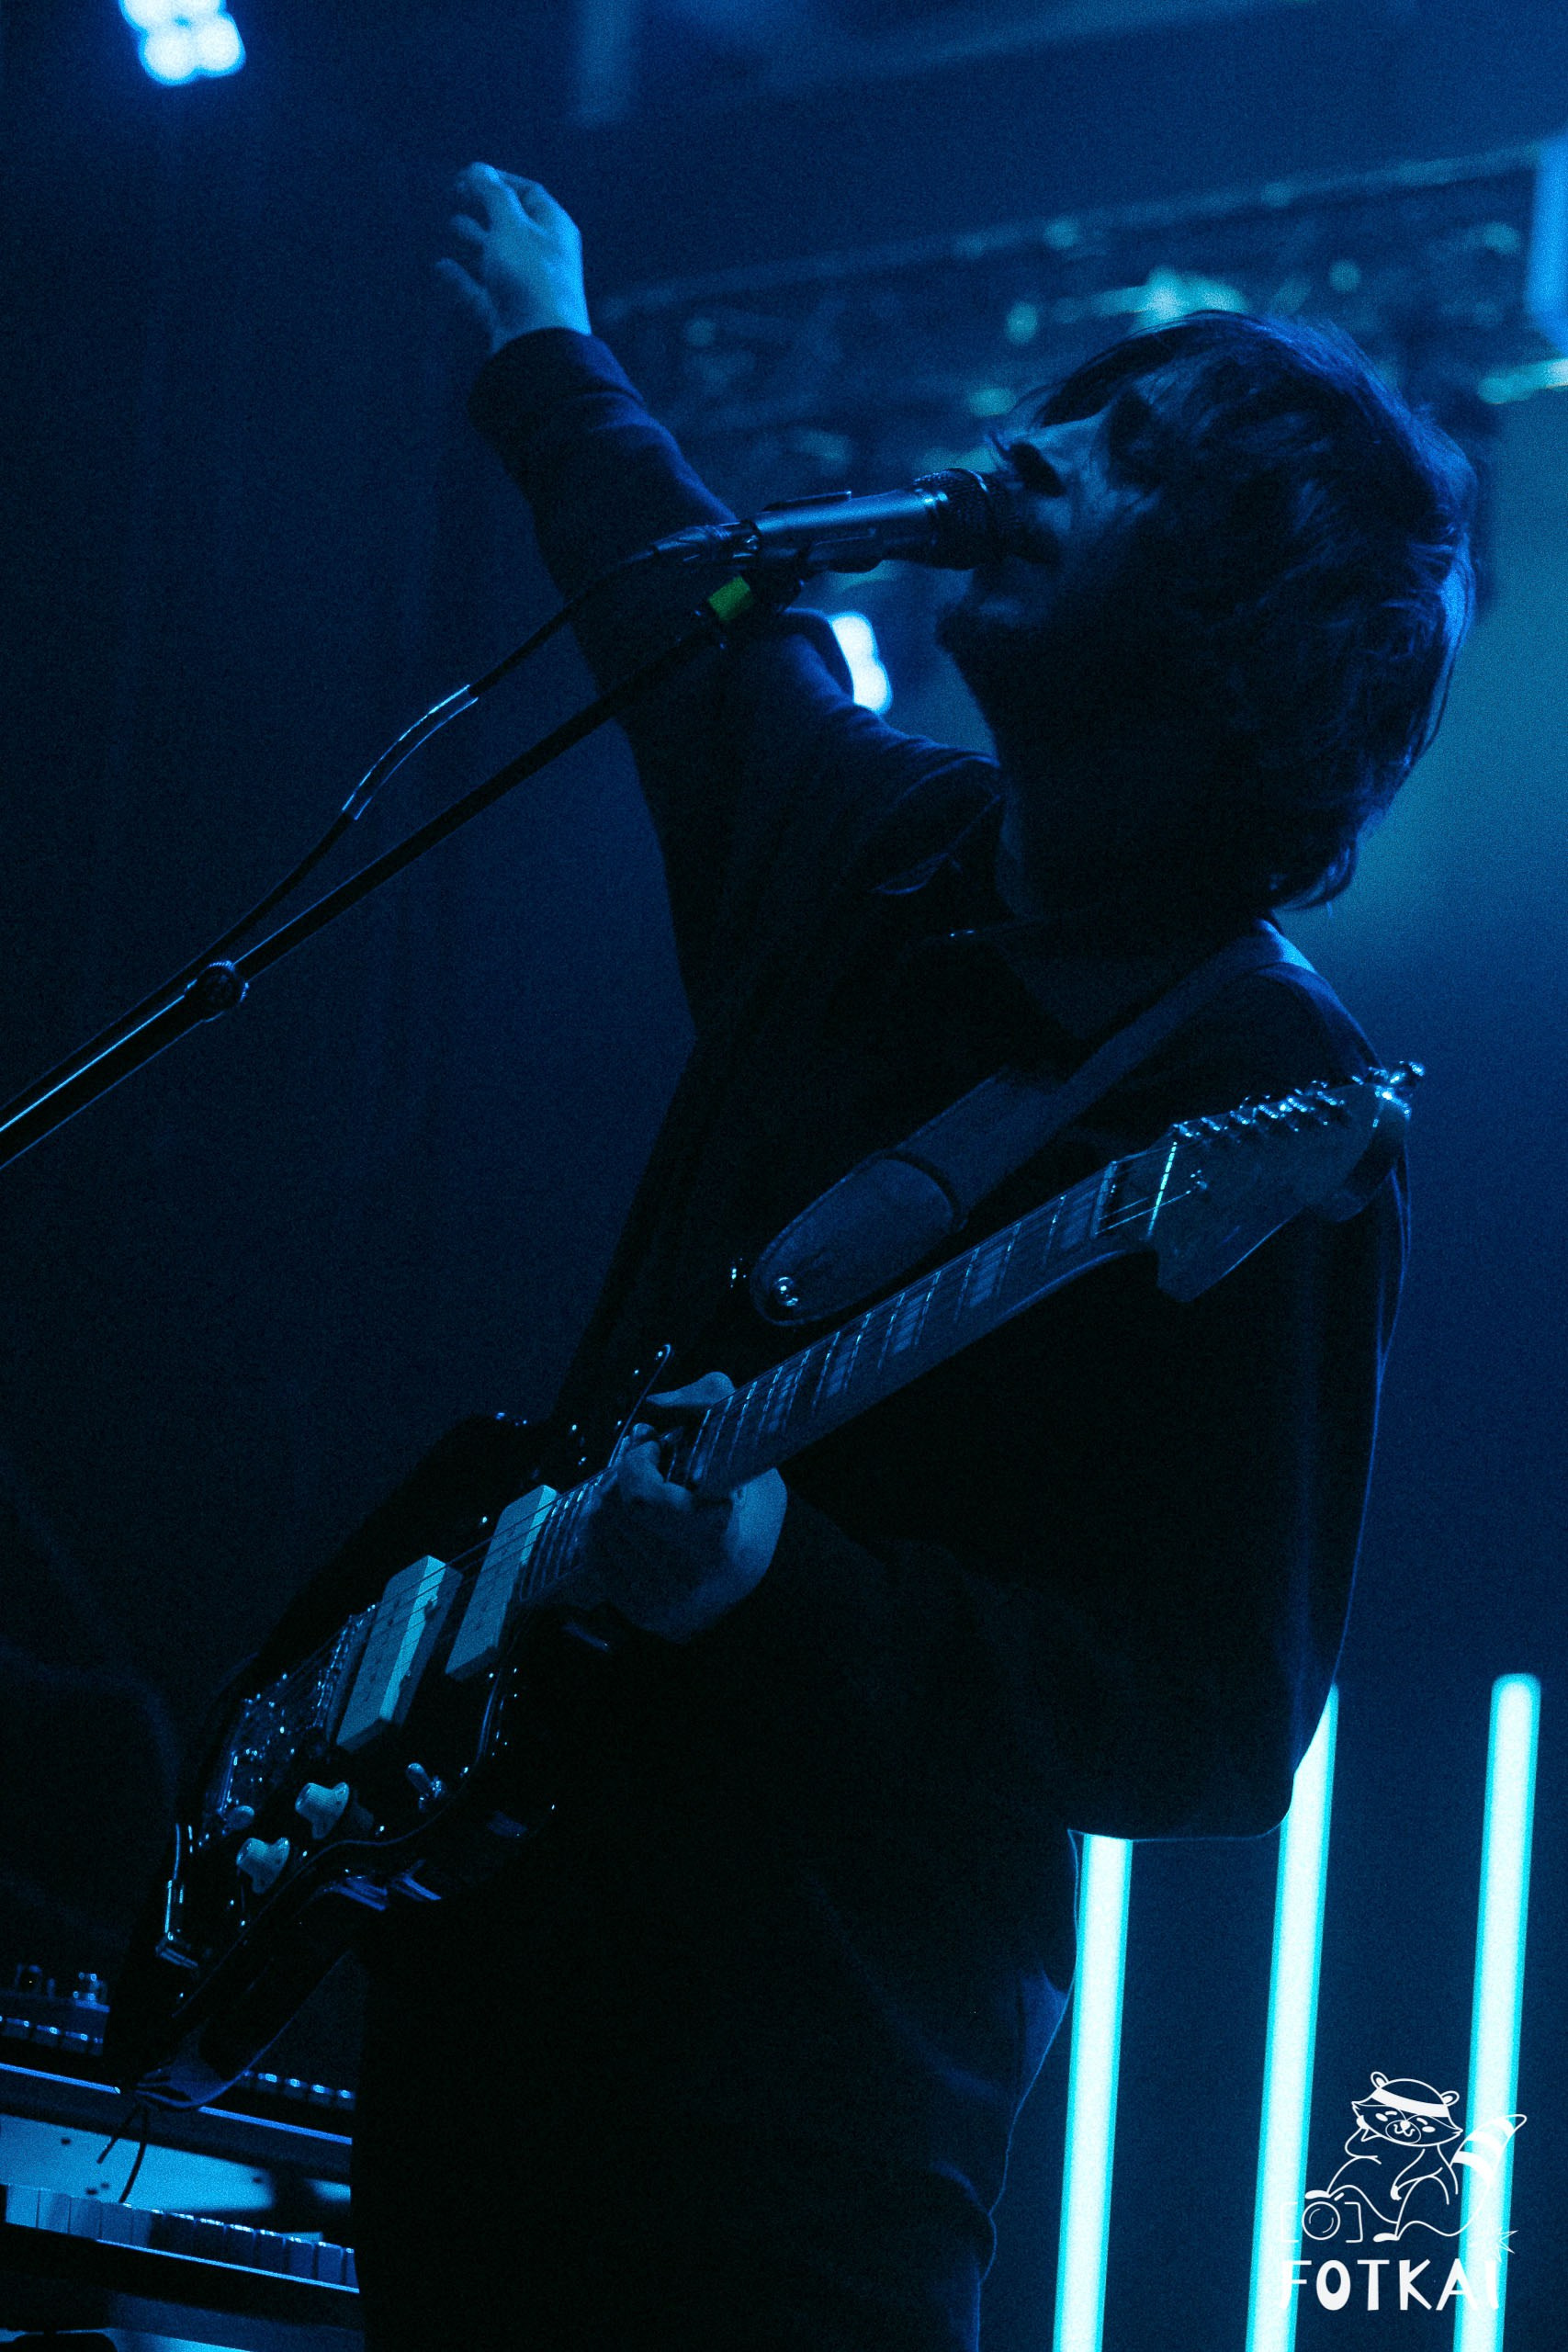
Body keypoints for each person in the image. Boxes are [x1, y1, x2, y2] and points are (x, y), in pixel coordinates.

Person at [345, 165, 1474, 2350]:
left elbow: (1208, 1718)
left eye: (1133, 451)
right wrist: (546, 345)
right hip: (493, 1992)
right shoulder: (879, 855)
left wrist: (781, 1581)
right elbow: (695, 629)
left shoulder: (1267, 1098)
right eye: (1076, 407)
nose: (1034, 445)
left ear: (1234, 615)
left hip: (795, 2125)